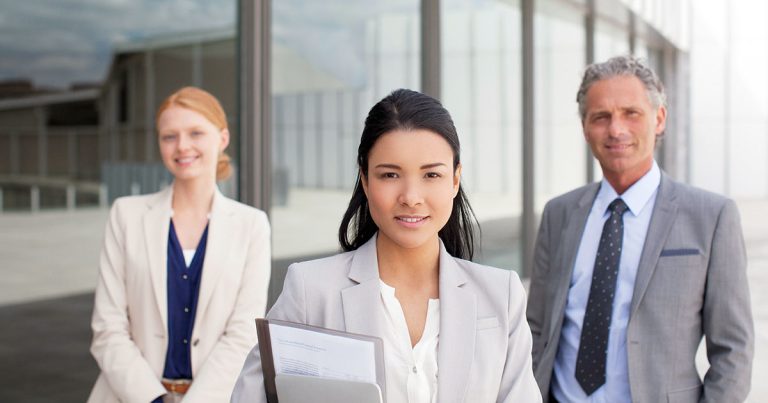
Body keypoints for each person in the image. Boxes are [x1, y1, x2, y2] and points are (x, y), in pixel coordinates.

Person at [231, 89, 541, 403]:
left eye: (431, 174)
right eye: (390, 174)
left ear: (455, 179)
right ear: (365, 179)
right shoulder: (311, 291)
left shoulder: (501, 295)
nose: (411, 196)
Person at [526, 55, 754, 403]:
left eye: (631, 113)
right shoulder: (559, 214)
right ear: (585, 127)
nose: (616, 129)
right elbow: (536, 329)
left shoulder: (711, 216)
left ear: (659, 119)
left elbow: (733, 351)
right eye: (601, 117)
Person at [88, 86, 271, 403]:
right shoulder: (126, 215)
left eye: (195, 133)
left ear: (222, 138)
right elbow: (108, 329)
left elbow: (243, 334)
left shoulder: (251, 225)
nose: (182, 146)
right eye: (169, 136)